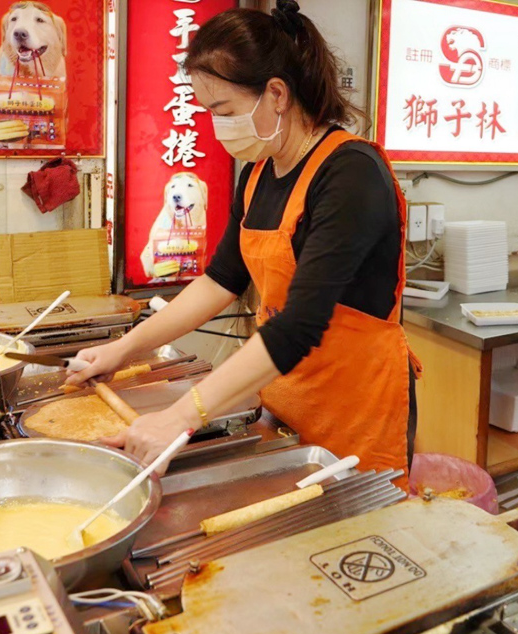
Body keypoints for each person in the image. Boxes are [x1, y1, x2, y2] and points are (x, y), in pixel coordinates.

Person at [66, 0, 419, 486]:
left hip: (356, 410)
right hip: (286, 396)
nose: (216, 125)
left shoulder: (350, 174)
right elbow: (220, 280)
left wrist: (179, 417)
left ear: (276, 94)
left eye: (224, 109)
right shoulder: (258, 172)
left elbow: (299, 325)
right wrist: (121, 351)